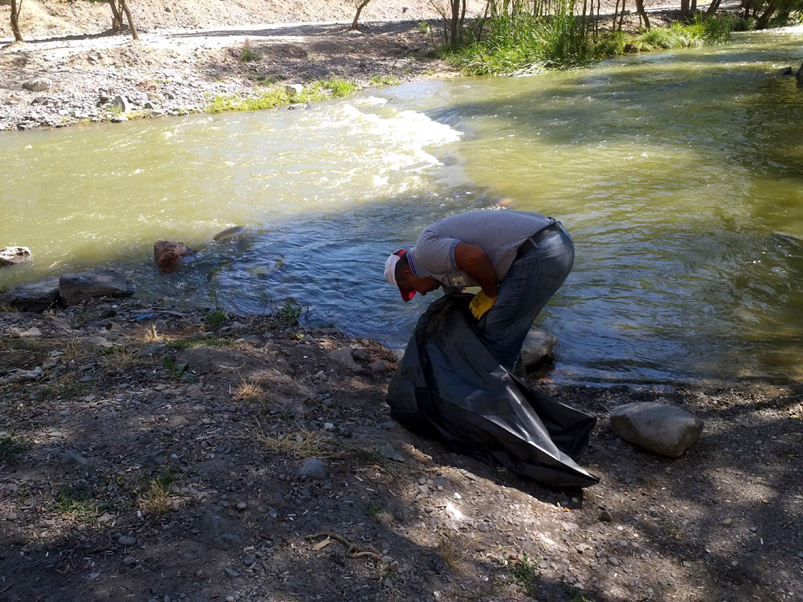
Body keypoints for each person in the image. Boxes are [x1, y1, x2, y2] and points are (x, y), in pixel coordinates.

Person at [383, 209, 574, 371]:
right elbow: (458, 305)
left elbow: (474, 257)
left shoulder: (426, 251)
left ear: (408, 273)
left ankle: (499, 400)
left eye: (412, 289)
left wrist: (490, 294)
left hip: (542, 250)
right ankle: (512, 388)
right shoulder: (437, 268)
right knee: (498, 326)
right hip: (553, 242)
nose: (422, 293)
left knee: (496, 332)